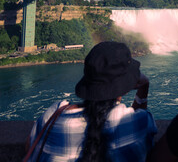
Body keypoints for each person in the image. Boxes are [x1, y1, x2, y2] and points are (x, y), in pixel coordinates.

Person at [26, 41, 157, 162]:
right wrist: (143, 89)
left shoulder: (54, 114)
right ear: (126, 86)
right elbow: (145, 138)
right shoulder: (135, 121)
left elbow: (30, 147)